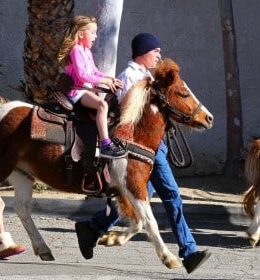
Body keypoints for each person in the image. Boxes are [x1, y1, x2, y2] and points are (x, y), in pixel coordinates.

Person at [75, 33, 211, 274]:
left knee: (139, 200)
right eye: (155, 51)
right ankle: (188, 252)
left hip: (155, 146)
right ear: (143, 52)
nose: (159, 54)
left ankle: (92, 228)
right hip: (139, 149)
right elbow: (130, 116)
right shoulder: (129, 77)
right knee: (170, 195)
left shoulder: (150, 76)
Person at [57, 15, 126, 159]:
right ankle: (106, 145)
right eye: (92, 32)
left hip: (84, 90)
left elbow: (94, 71)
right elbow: (82, 75)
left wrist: (109, 78)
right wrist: (105, 82)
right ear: (81, 34)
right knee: (102, 105)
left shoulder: (86, 52)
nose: (95, 36)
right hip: (76, 91)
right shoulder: (75, 50)